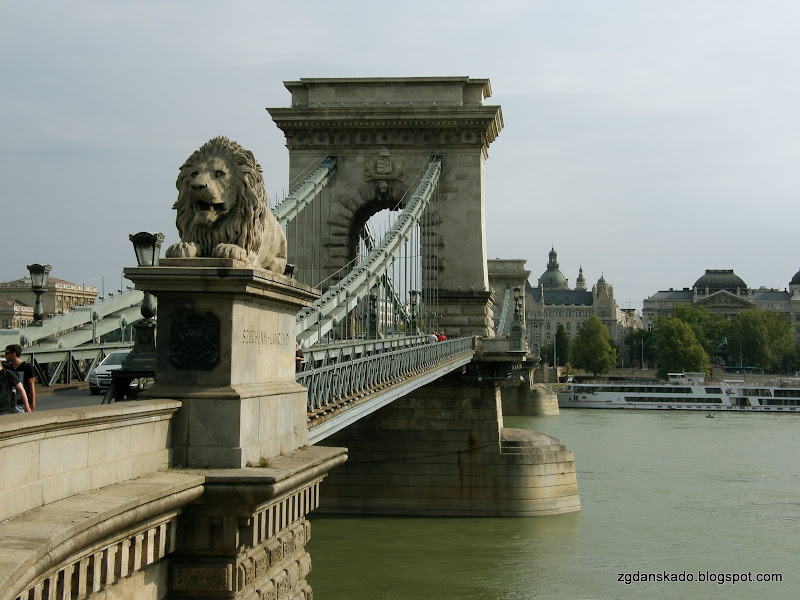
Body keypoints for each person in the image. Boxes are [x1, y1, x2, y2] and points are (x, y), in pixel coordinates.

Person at [5, 344, 36, 411]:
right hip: (11, 403)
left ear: (14, 354)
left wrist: (33, 402)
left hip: (24, 402)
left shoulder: (27, 367)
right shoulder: (8, 368)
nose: (5, 356)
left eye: (7, 353)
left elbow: (31, 386)